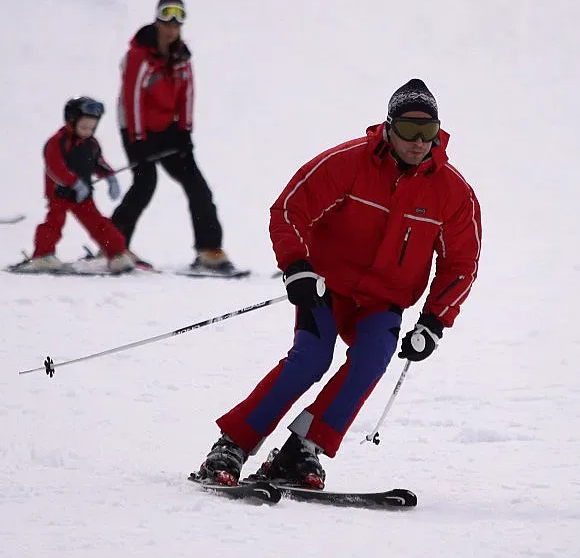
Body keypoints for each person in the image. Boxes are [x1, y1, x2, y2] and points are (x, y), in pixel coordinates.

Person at [194, 79, 482, 489]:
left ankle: (301, 451)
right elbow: (290, 208)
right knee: (311, 358)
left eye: (428, 132)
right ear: (388, 127)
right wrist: (297, 267)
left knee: (372, 360)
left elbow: (461, 262)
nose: (419, 142)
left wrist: (434, 322)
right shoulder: (349, 162)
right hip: (325, 289)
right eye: (408, 130)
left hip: (383, 300)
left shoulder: (453, 193)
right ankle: (232, 443)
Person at [111, 0, 235, 272]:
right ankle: (113, 246)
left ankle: (209, 251)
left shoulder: (181, 56)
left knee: (197, 187)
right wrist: (138, 139)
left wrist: (184, 132)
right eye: (166, 20)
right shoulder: (139, 55)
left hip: (169, 131)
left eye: (177, 22)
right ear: (157, 20)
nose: (171, 28)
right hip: (136, 131)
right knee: (145, 184)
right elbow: (131, 99)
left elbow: (187, 94)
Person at [18, 96, 134, 273]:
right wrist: (74, 183)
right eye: (84, 127)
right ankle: (43, 255)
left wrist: (110, 178)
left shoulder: (92, 144)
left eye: (92, 128)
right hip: (60, 194)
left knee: (99, 224)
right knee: (54, 223)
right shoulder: (57, 142)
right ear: (71, 122)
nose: (88, 131)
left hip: (83, 195)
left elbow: (98, 162)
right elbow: (54, 167)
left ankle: (117, 253)